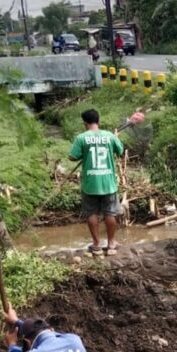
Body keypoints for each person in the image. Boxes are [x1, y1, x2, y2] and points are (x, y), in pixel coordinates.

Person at [69, 108, 125, 254]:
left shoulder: (81, 138)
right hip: (108, 183)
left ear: (84, 123)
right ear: (98, 121)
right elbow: (120, 151)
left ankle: (96, 244)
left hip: (90, 184)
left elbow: (72, 157)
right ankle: (111, 244)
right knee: (110, 213)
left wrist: (85, 153)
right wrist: (116, 137)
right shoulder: (110, 136)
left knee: (91, 213)